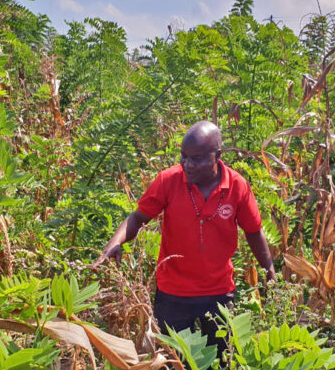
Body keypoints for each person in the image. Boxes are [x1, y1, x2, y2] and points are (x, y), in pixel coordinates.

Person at [95, 121, 275, 357]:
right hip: (173, 293)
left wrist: (269, 269)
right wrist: (113, 244)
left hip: (218, 292)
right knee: (173, 364)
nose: (188, 165)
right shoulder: (168, 181)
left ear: (217, 156)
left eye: (197, 159)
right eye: (184, 157)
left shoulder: (237, 187)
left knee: (221, 364)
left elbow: (253, 231)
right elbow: (138, 218)